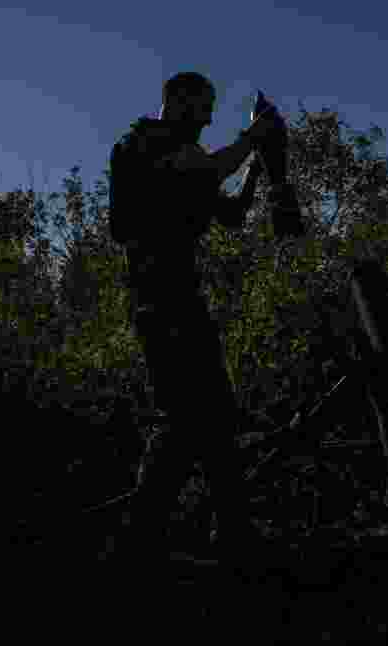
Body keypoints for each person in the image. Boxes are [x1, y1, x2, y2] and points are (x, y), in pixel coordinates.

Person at [109, 72, 281, 564]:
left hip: (181, 298)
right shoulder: (143, 146)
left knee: (215, 417)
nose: (207, 120)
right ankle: (139, 541)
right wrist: (252, 140)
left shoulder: (187, 157)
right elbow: (203, 172)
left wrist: (258, 165)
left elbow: (229, 213)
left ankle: (232, 534)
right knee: (183, 418)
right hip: (160, 303)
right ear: (177, 101)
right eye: (202, 109)